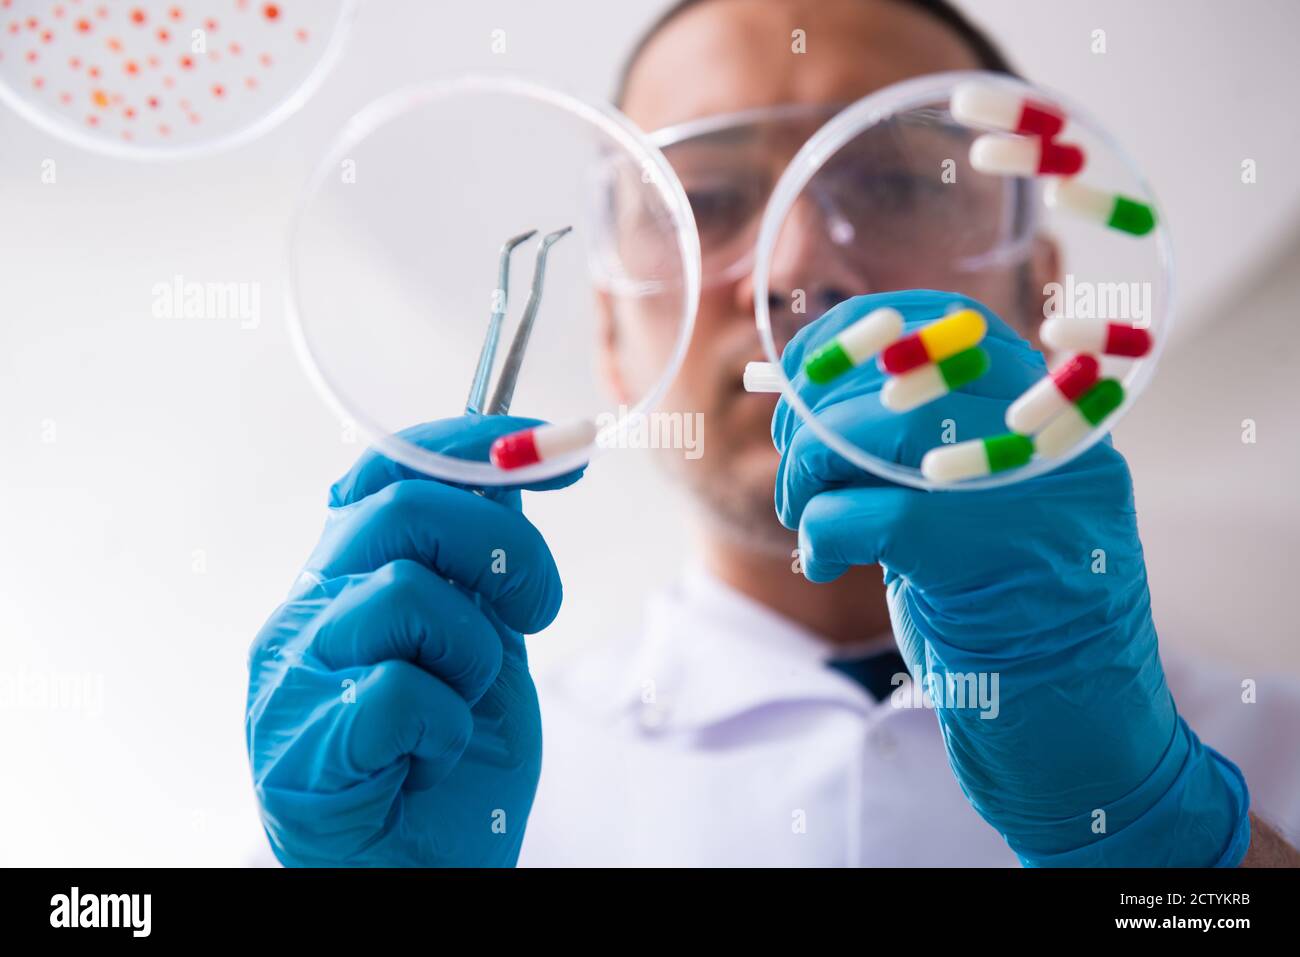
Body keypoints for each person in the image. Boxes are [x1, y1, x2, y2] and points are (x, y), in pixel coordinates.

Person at [244, 0, 1300, 866]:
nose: (798, 272)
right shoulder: (417, 765)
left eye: (895, 183)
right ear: (612, 335)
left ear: (1040, 295)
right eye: (704, 199)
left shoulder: (1265, 751)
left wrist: (1161, 841)